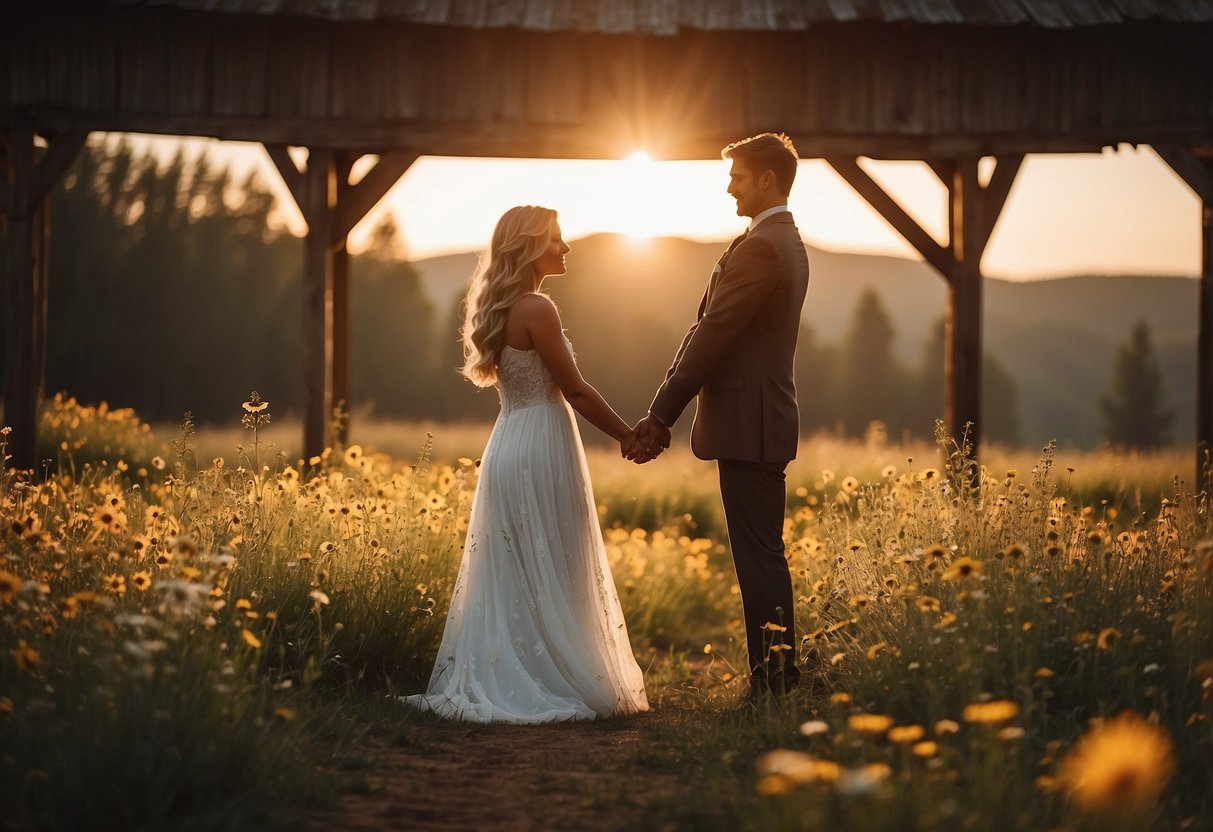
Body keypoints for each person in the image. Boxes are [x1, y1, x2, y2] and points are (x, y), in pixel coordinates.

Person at [403, 205, 649, 723]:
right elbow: (576, 390)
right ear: (530, 247)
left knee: (520, 562)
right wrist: (627, 434)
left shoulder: (506, 306)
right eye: (556, 240)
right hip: (541, 443)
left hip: (510, 439)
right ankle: (553, 675)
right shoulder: (537, 307)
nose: (565, 248)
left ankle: (525, 667)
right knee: (555, 556)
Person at [630, 133, 810, 703]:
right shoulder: (775, 239)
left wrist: (660, 413)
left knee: (758, 557)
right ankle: (778, 677)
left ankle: (774, 685)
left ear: (766, 179)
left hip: (750, 423)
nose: (728, 184)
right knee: (762, 554)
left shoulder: (762, 247)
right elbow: (712, 326)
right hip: (757, 420)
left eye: (737, 175)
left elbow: (715, 332)